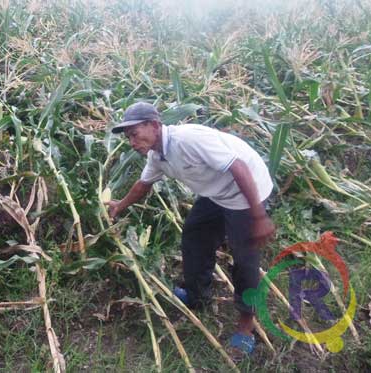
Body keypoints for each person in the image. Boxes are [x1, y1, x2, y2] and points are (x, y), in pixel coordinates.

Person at [106, 101, 275, 356]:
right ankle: (197, 296)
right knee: (194, 237)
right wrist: (120, 205)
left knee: (244, 260)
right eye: (128, 137)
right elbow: (143, 184)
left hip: (246, 191)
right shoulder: (158, 156)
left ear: (153, 125)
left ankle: (245, 327)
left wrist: (259, 215)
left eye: (134, 134)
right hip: (217, 194)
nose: (132, 142)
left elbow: (238, 167)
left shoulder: (187, 140)